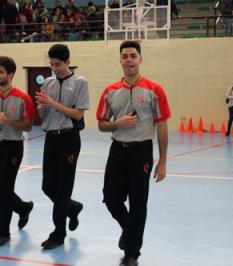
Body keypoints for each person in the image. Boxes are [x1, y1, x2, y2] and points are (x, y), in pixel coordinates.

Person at [96, 41, 171, 266]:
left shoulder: (154, 90)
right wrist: (117, 123)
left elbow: (162, 125)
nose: (129, 60)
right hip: (117, 150)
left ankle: (132, 254)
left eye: (133, 56)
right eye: (125, 56)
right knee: (110, 198)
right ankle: (129, 232)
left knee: (139, 203)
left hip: (141, 152)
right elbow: (101, 124)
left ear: (140, 59)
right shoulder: (110, 91)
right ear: (120, 60)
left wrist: (163, 162)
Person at [35, 44, 90, 249]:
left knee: (63, 188)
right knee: (48, 186)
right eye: (52, 65)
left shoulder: (79, 82)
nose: (55, 68)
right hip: (51, 138)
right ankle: (73, 208)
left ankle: (58, 233)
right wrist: (41, 107)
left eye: (58, 64)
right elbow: (43, 115)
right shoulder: (48, 82)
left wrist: (52, 103)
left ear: (68, 62)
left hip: (69, 138)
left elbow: (78, 114)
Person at [0, 56, 35, 247]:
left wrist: (9, 121)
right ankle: (23, 208)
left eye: (0, 72)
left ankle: (2, 232)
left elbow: (28, 126)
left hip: (13, 147)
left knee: (5, 190)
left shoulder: (23, 98)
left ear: (10, 74)